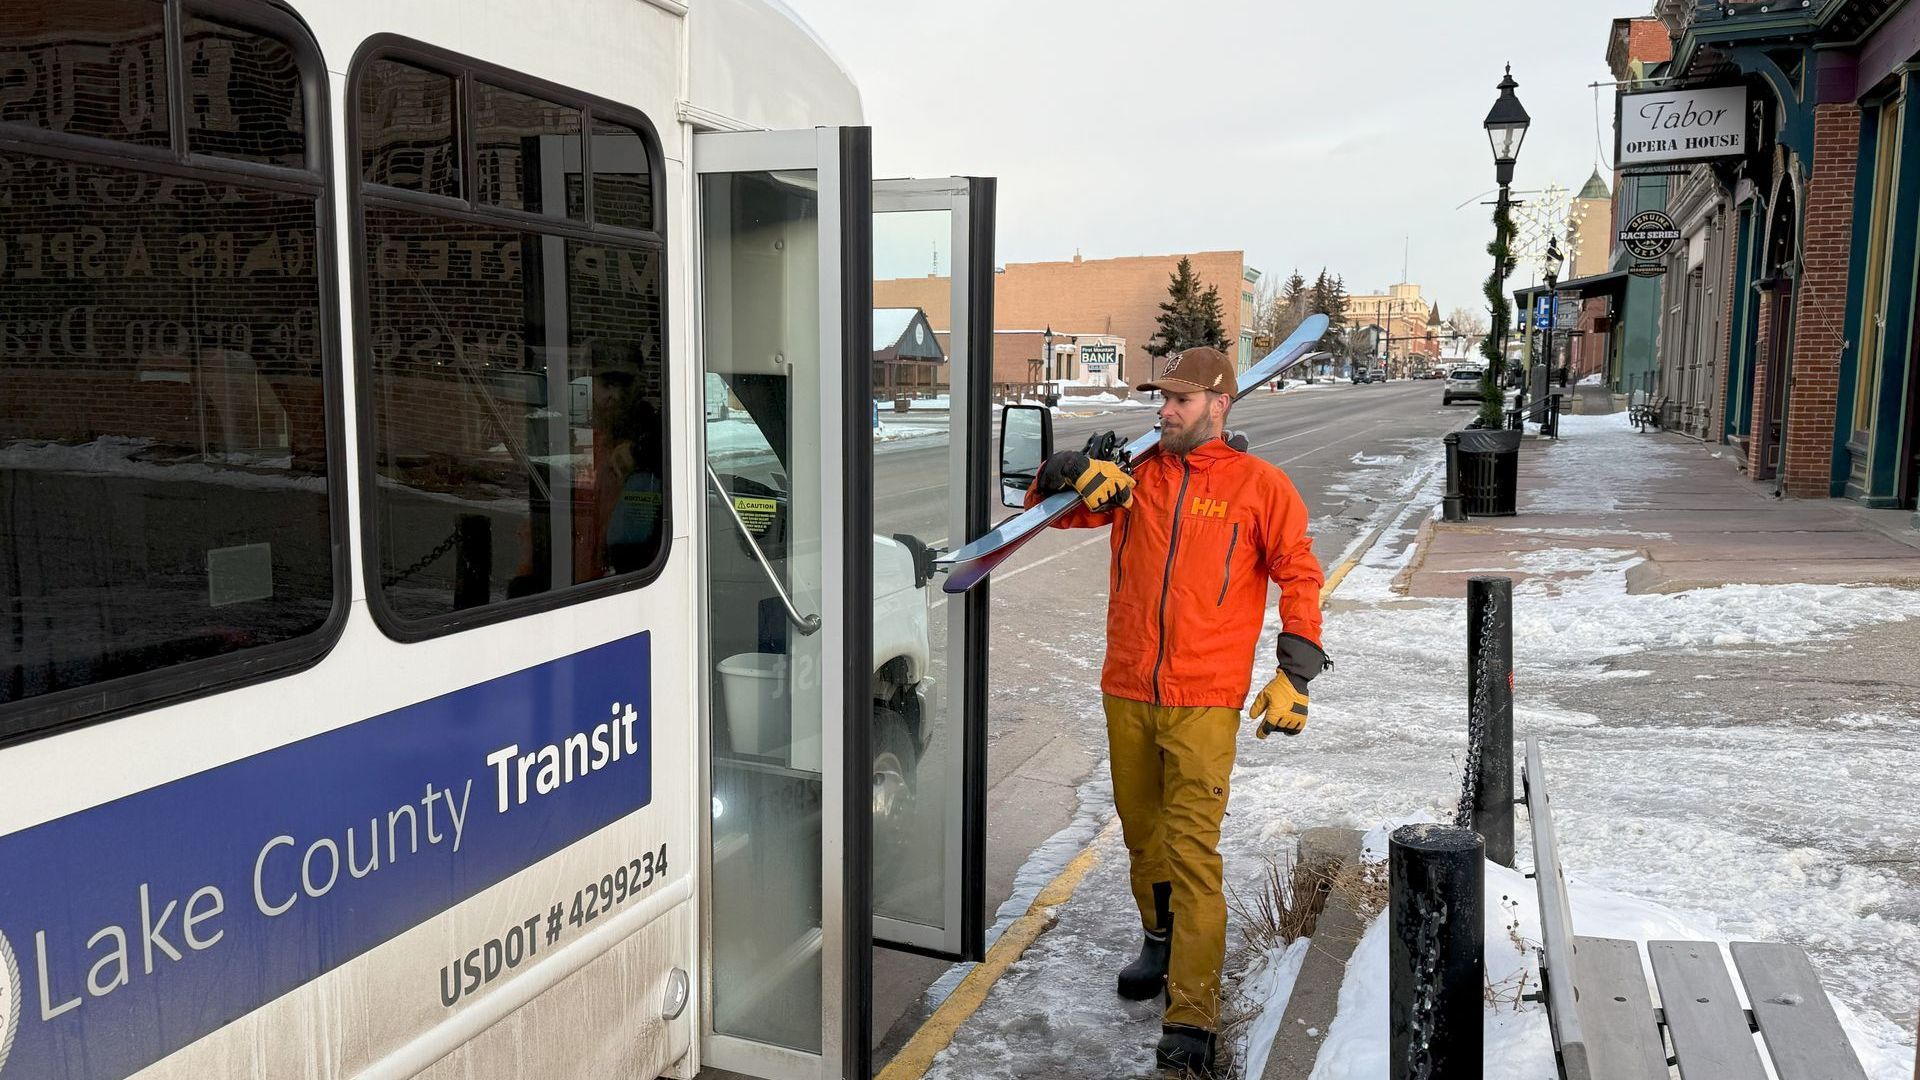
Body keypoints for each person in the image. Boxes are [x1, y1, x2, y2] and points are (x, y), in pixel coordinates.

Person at [1028, 345, 1328, 1076]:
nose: (1163, 411)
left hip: (1204, 701)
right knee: (1143, 841)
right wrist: (1066, 471)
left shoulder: (1262, 488)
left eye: (1180, 401)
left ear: (1219, 405)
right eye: (1161, 400)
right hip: (1127, 689)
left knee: (1193, 854)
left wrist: (1297, 670)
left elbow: (1299, 573)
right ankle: (1157, 940)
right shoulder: (1137, 481)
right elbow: (1046, 516)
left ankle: (1191, 1011)